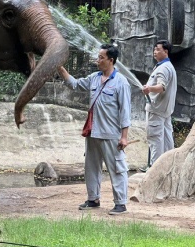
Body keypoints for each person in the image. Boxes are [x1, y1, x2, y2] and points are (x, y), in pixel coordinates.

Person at [58, 44, 131, 215]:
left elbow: (125, 112)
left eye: (101, 58)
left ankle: (121, 203)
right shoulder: (94, 78)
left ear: (111, 60)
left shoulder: (121, 82)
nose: (97, 60)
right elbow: (74, 84)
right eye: (98, 57)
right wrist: (59, 67)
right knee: (91, 167)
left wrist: (124, 137)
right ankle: (93, 199)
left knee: (116, 168)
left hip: (111, 134)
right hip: (93, 132)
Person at [142, 40, 177, 166]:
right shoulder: (168, 67)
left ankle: (154, 175)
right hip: (165, 113)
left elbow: (162, 87)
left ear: (165, 51)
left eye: (157, 49)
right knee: (168, 146)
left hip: (156, 112)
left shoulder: (163, 68)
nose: (154, 52)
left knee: (156, 143)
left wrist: (149, 89)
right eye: (154, 49)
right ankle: (169, 171)